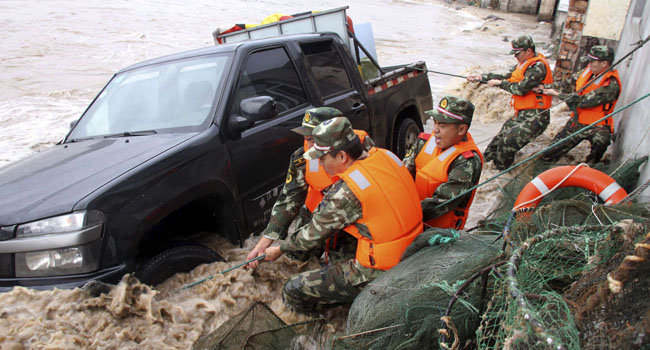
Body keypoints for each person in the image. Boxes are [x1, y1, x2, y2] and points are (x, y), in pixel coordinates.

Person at [258, 117, 423, 312]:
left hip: (382, 269)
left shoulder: (347, 191)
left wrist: (278, 249)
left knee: (293, 288)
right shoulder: (386, 156)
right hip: (413, 250)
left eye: (322, 158)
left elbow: (309, 237)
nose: (319, 164)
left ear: (342, 157)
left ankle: (315, 329)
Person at [246, 107, 374, 268]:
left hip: (350, 221)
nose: (308, 144)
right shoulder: (301, 159)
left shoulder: (359, 149)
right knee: (292, 262)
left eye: (313, 139)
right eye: (306, 138)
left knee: (339, 269)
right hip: (315, 216)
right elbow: (289, 199)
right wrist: (266, 240)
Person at [467, 35, 553, 170]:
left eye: (517, 53)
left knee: (507, 144)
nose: (515, 57)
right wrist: (481, 77)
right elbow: (508, 77)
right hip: (522, 114)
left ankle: (501, 174)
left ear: (529, 51)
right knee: (495, 144)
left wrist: (500, 84)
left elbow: (520, 89)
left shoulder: (538, 67)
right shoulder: (524, 63)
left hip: (536, 117)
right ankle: (483, 171)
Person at [403, 96, 483, 229]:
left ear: (461, 130)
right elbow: (402, 174)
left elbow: (440, 204)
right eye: (435, 122)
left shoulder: (467, 162)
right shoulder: (423, 142)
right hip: (411, 218)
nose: (435, 130)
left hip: (438, 234)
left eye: (442, 125)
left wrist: (400, 215)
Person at [540, 45, 621, 163]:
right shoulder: (588, 71)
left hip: (597, 126)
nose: (590, 63)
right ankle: (541, 171)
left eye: (593, 61)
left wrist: (557, 94)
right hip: (577, 121)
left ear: (604, 64)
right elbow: (568, 83)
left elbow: (583, 101)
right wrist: (545, 87)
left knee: (601, 141)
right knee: (551, 151)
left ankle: (590, 166)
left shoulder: (611, 85)